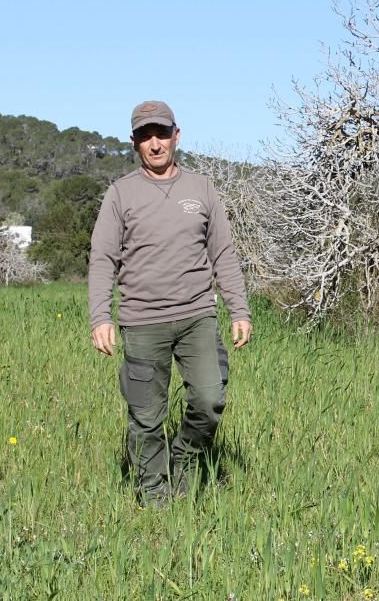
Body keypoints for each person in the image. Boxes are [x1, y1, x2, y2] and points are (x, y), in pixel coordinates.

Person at [88, 100, 252, 506]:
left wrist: (239, 309)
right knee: (146, 418)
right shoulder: (120, 193)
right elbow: (102, 257)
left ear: (177, 136)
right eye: (146, 136)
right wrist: (100, 317)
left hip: (197, 316)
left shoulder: (202, 189)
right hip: (142, 322)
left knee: (209, 400)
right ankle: (155, 501)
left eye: (162, 133)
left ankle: (185, 457)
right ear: (134, 143)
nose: (155, 143)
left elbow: (223, 253)